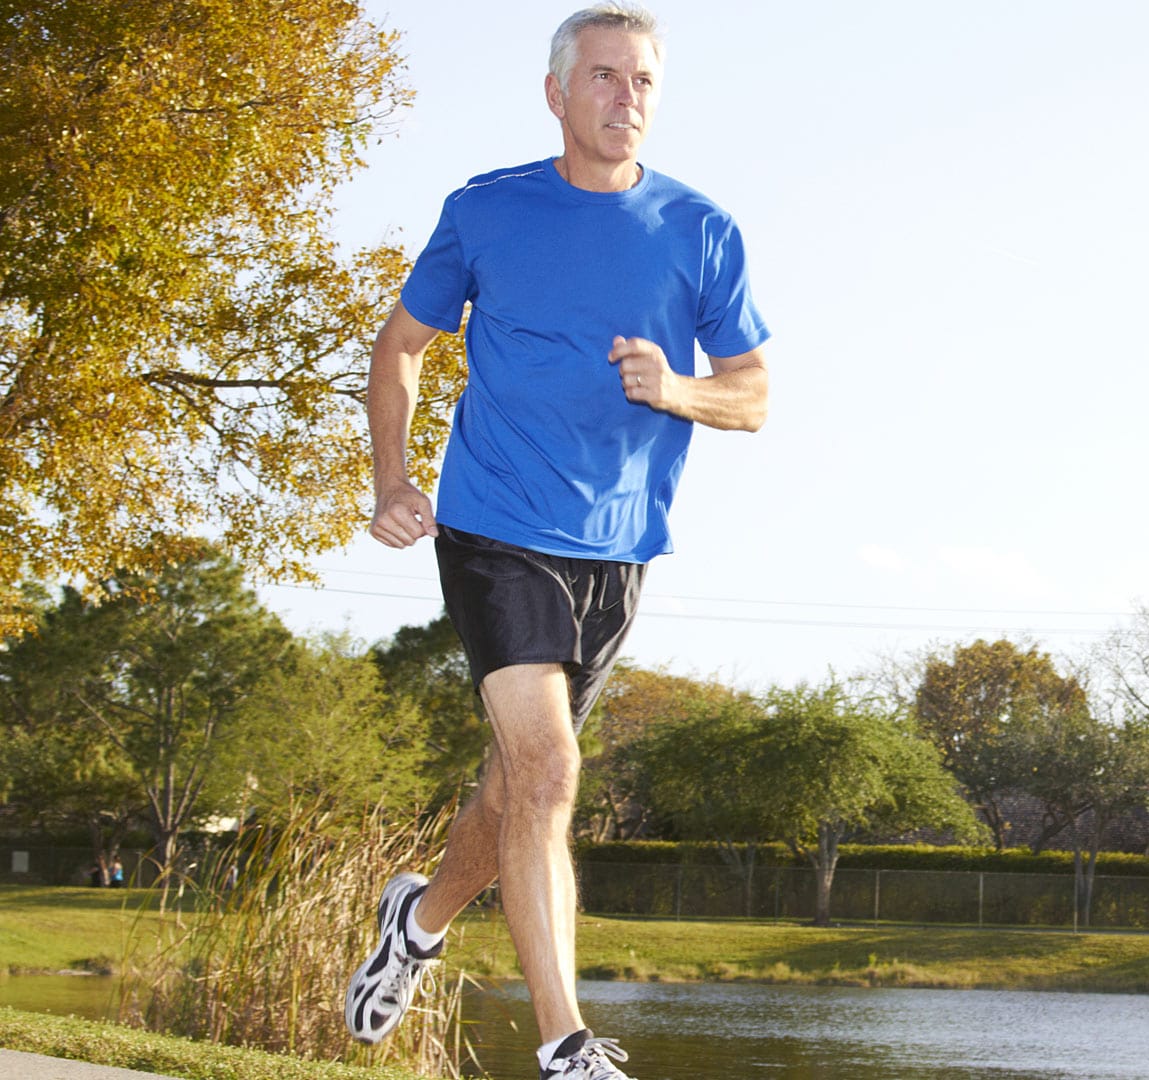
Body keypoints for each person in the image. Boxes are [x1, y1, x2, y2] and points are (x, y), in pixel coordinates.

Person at [342, 6, 770, 1078]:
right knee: (549, 770)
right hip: (496, 526)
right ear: (557, 94)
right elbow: (399, 351)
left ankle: (419, 918)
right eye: (606, 78)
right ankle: (566, 1045)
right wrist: (391, 480)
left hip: (618, 550)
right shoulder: (487, 211)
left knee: (516, 789)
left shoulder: (702, 230)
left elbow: (755, 396)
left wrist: (679, 389)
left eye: (644, 83)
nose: (628, 100)